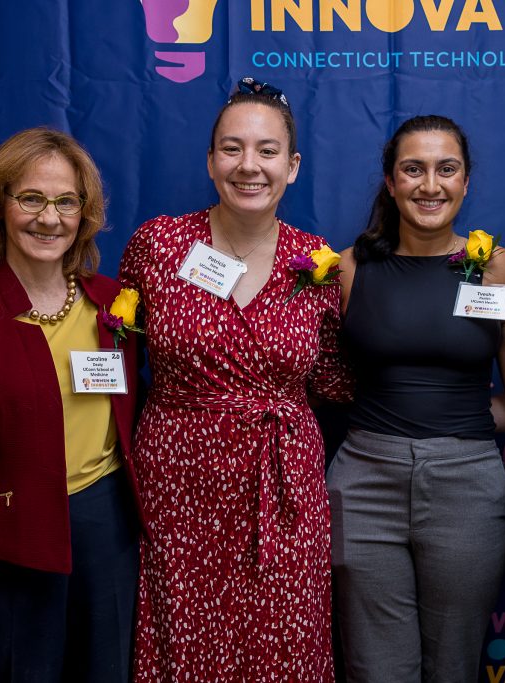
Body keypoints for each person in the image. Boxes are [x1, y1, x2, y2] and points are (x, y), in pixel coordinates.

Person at [118, 78, 351, 681]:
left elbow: (335, 378)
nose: (249, 166)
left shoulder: (317, 262)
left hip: (282, 487)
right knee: (184, 643)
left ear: (293, 166)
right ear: (210, 160)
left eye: (267, 150)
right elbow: (117, 353)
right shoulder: (159, 245)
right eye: (231, 148)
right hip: (179, 483)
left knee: (283, 645)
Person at [0, 128, 143, 682]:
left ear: (84, 213)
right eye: (31, 198)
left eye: (66, 201)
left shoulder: (115, 303)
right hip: (12, 547)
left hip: (106, 534)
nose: (49, 218)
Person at [326, 115, 505, 682]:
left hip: (466, 482)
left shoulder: (498, 269)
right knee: (375, 667)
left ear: (466, 182)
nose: (430, 185)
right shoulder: (347, 269)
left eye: (447, 169)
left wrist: (456, 420)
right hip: (365, 479)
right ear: (391, 182)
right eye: (412, 169)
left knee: (454, 665)